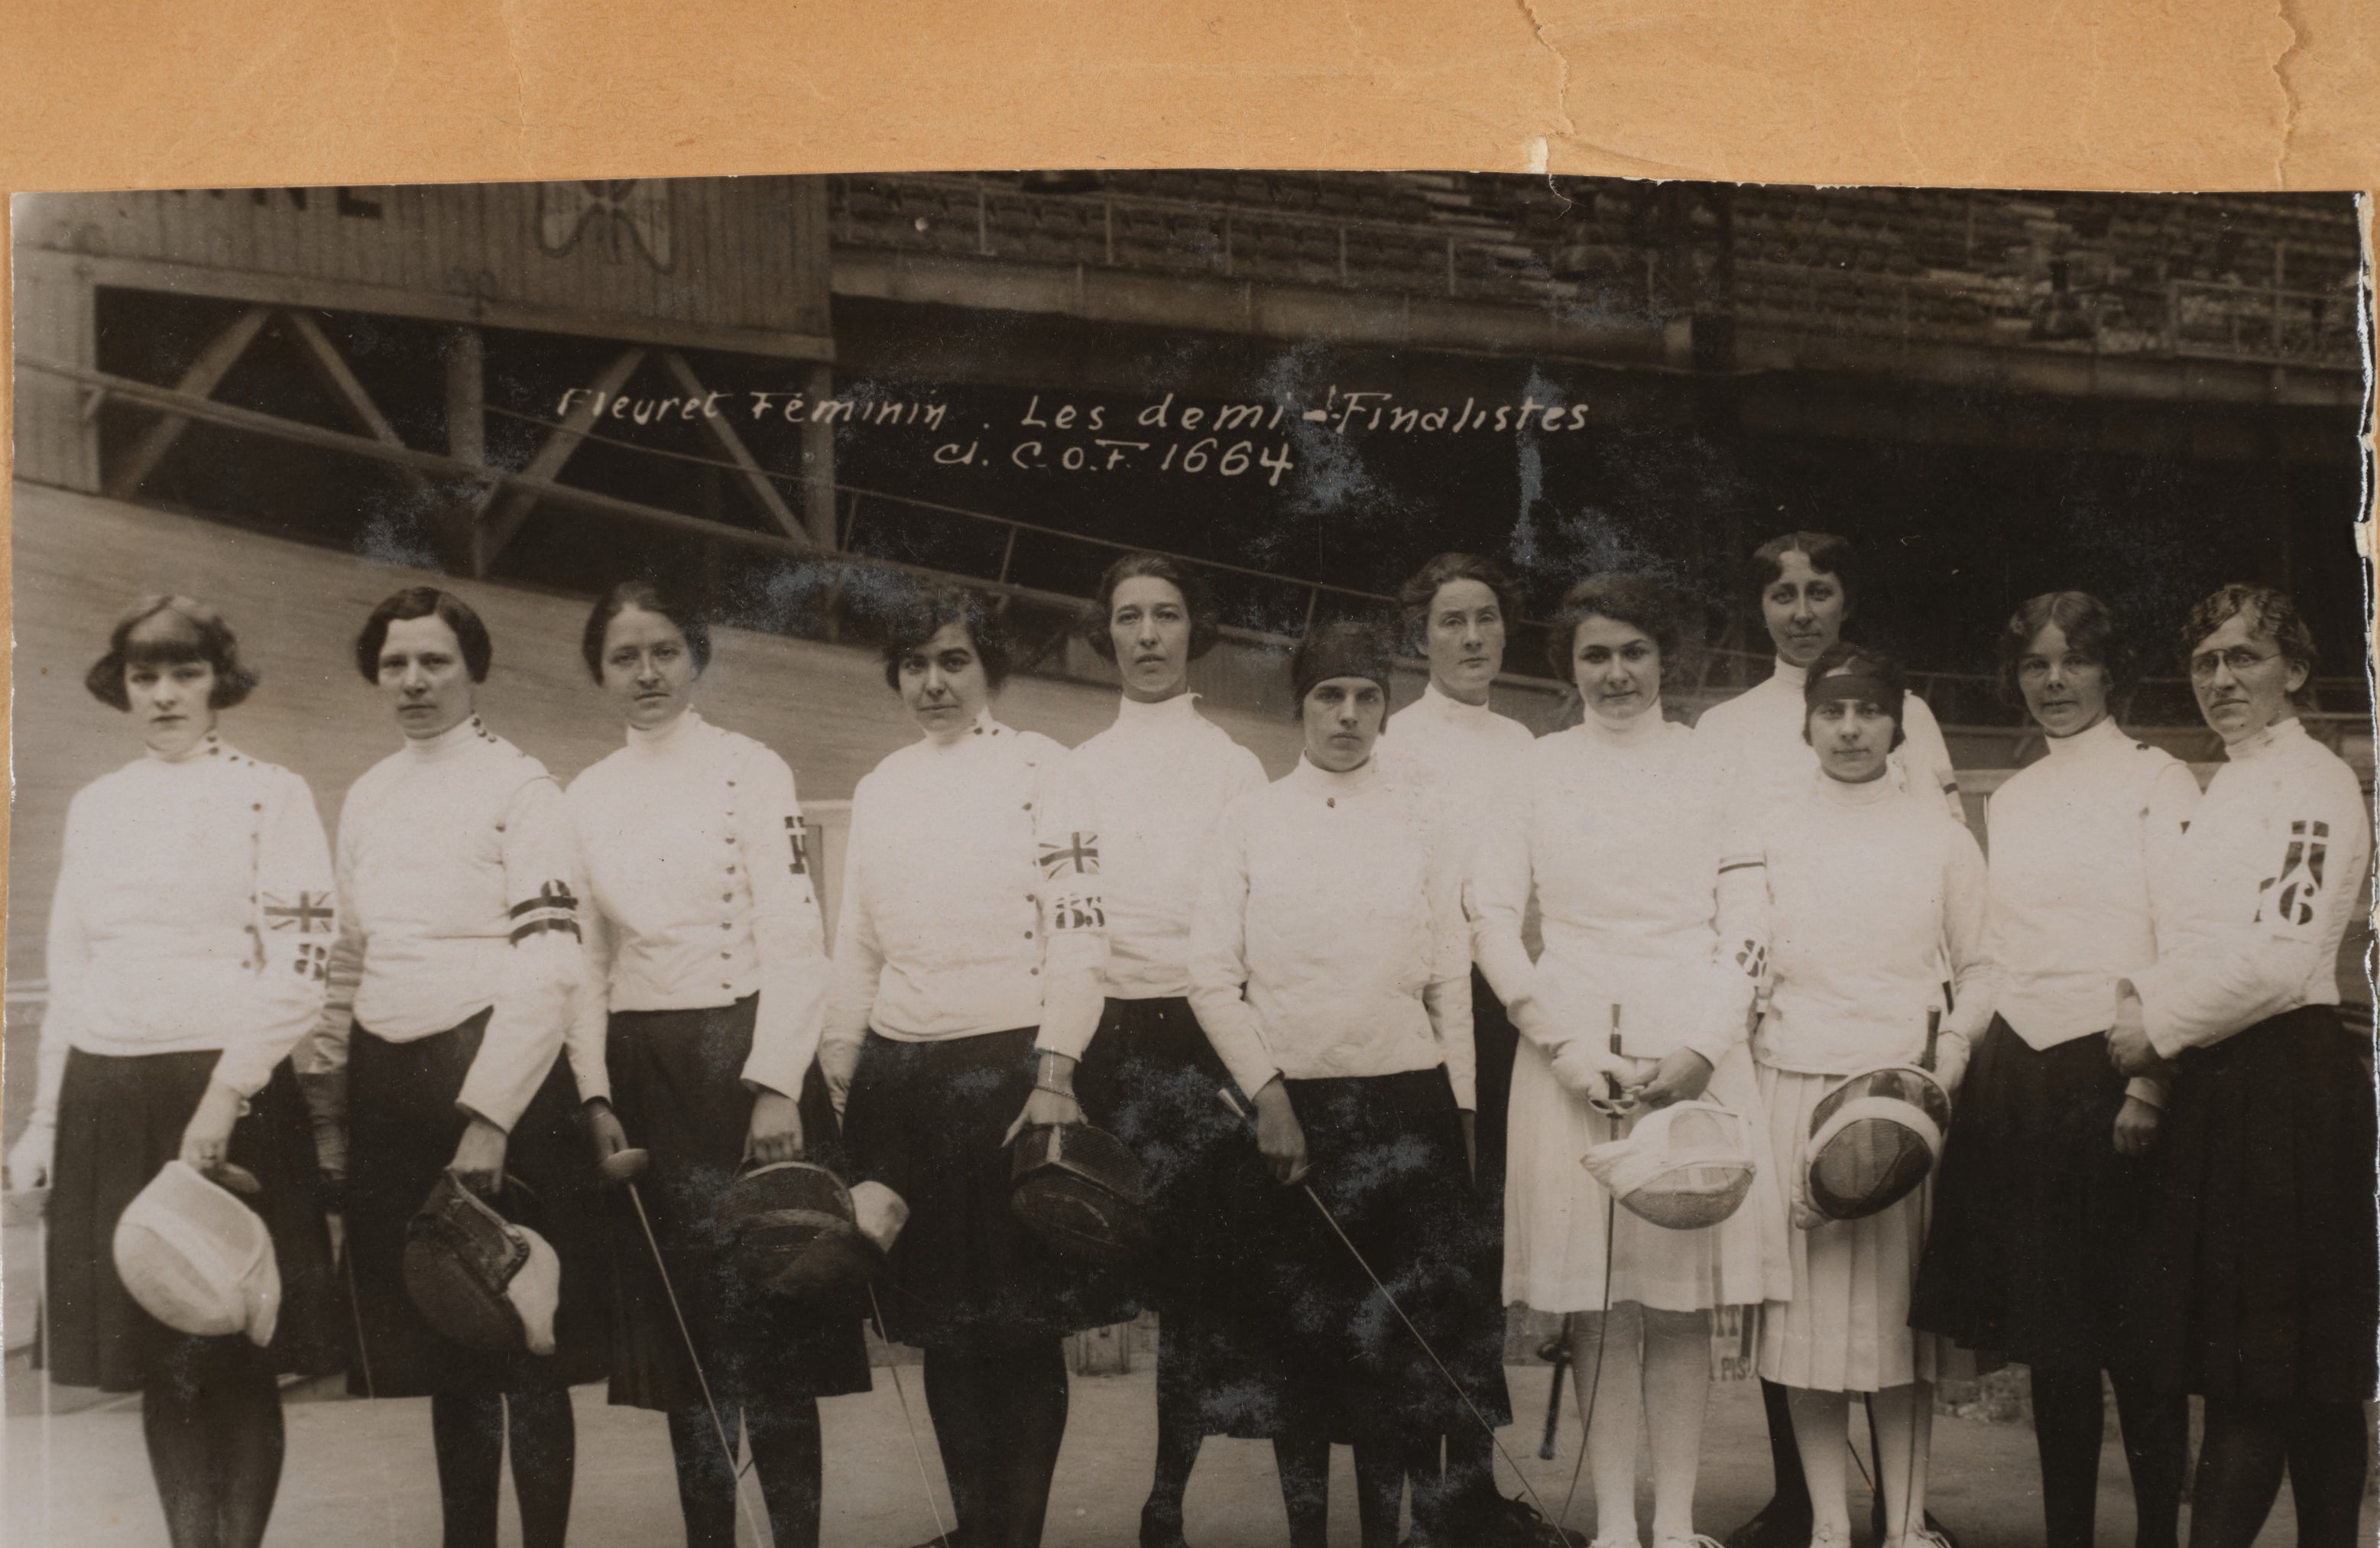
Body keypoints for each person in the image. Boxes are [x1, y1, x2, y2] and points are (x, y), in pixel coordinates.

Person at [5, 596, 341, 1548]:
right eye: (145, 677)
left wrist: (227, 1092)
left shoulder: (273, 794)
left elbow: (304, 964)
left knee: (230, 1347)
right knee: (162, 1356)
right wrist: (41, 1123)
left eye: (184, 674)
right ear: (123, 688)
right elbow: (73, 973)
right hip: (109, 1094)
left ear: (218, 682)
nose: (163, 696)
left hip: (228, 1093)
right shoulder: (96, 804)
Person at [1471, 574, 1792, 1548]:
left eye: (1634, 652)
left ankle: (1679, 1523)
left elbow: (1749, 918)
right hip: (1569, 1047)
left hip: (1692, 1040)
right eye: (1595, 655)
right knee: (1604, 1307)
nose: (1616, 673)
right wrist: (1565, 1048)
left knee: (1681, 1304)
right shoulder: (1533, 766)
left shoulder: (1715, 764)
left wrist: (1702, 1045)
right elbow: (1490, 917)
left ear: (1667, 659)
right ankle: (1614, 1526)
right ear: (1568, 666)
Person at [819, 582, 1131, 1548]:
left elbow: (1083, 933)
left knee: (1019, 1326)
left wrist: (1055, 1069)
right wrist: (840, 1056)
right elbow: (859, 946)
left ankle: (1017, 1536)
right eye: (913, 665)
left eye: (953, 660)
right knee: (946, 1330)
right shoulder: (879, 786)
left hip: (1015, 1077)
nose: (933, 682)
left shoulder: (1047, 768)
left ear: (991, 667)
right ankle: (976, 1528)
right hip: (907, 1080)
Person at [563, 580, 870, 1548]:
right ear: (601, 670)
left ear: (695, 658)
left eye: (663, 650)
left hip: (747, 1066)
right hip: (646, 1072)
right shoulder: (584, 794)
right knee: (689, 1351)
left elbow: (795, 931)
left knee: (776, 1328)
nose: (646, 672)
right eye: (624, 656)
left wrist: (779, 1082)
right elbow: (583, 958)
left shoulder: (751, 769)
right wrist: (595, 1090)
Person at [302, 586, 608, 1548]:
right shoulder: (367, 793)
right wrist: (334, 1103)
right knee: (446, 1340)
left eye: (433, 661)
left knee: (524, 1339)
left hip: (501, 1081)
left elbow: (554, 962)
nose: (414, 681)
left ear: (472, 668)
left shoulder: (525, 789)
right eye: (395, 664)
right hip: (391, 1081)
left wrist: (490, 1115)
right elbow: (350, 954)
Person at [1187, 618, 1487, 1548]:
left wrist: (1463, 1114)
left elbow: (1449, 979)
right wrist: (1270, 1097)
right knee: (1305, 1357)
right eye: (1330, 696)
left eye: (1366, 697)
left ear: (1385, 708)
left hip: (1406, 1111)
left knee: (1397, 1356)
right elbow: (1208, 972)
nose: (1349, 716)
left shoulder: (1425, 820)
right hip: (1295, 1118)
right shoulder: (1250, 820)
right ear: (1300, 707)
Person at [1696, 532, 1964, 1548]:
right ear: (1757, 606)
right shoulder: (1724, 730)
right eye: (1781, 592)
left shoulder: (1914, 725)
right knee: (1800, 1313)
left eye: (1820, 590)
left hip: (1891, 1053)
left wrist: (1932, 1051)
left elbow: (1938, 879)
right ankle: (1804, 1507)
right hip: (1786, 1045)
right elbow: (1733, 903)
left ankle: (1901, 1515)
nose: (1801, 609)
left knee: (1894, 1312)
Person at [1909, 592, 2194, 1548]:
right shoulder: (2015, 796)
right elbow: (2002, 950)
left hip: (2117, 1079)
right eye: (2036, 664)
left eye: (2074, 662)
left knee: (2141, 1339)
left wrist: (2151, 1081)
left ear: (2112, 671)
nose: (2055, 682)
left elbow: (2179, 941)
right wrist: (1956, 1062)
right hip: (2023, 1082)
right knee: (2055, 1342)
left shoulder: (2161, 780)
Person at [2107, 585, 2374, 1548]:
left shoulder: (2314, 784)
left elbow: (2279, 957)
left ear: (2293, 672)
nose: (2221, 680)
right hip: (2226, 1086)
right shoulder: (2228, 787)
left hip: (2291, 1092)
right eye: (2206, 663)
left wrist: (2156, 1028)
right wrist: (2151, 1022)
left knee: (2277, 1371)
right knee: (2282, 1368)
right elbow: (2197, 940)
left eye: (2244, 659)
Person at [1063, 555, 1273, 1548]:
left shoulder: (1233, 766)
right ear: (1104, 633)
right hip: (1099, 1032)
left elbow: (1246, 920)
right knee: (1074, 1265)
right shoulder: (1075, 768)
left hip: (1197, 1041)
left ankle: (1164, 1503)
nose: (1147, 635)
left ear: (1195, 631)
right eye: (1129, 618)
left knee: (1191, 1290)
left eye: (1166, 616)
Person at [1375, 553, 1566, 1548]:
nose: (1471, 638)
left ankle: (1474, 1491)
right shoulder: (1395, 742)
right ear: (1419, 636)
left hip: (1502, 1014)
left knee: (1483, 1255)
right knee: (1426, 1255)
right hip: (1417, 1013)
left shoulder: (1524, 743)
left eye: (1485, 618)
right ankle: (1427, 1496)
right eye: (1450, 621)